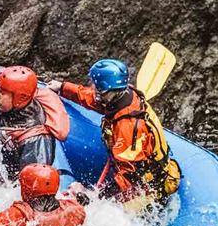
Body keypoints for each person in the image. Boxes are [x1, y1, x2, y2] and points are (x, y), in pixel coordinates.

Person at [48, 59, 181, 212]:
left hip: (147, 188)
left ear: (111, 91)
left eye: (99, 89)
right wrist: (64, 88)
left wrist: (94, 197)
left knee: (100, 214)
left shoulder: (128, 127)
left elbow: (130, 177)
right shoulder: (121, 96)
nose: (95, 91)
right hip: (135, 171)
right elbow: (93, 99)